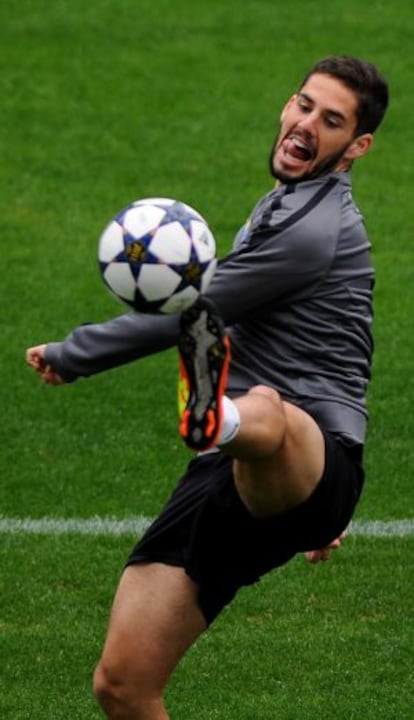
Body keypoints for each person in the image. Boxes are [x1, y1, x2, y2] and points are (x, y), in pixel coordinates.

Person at [26, 54, 389, 719]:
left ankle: (215, 418)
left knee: (269, 410)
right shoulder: (291, 199)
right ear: (287, 105)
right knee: (123, 685)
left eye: (330, 120)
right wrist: (303, 511)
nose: (306, 124)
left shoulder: (314, 231)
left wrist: (73, 353)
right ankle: (224, 430)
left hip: (306, 448)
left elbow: (195, 312)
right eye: (303, 105)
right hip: (250, 479)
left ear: (356, 147)